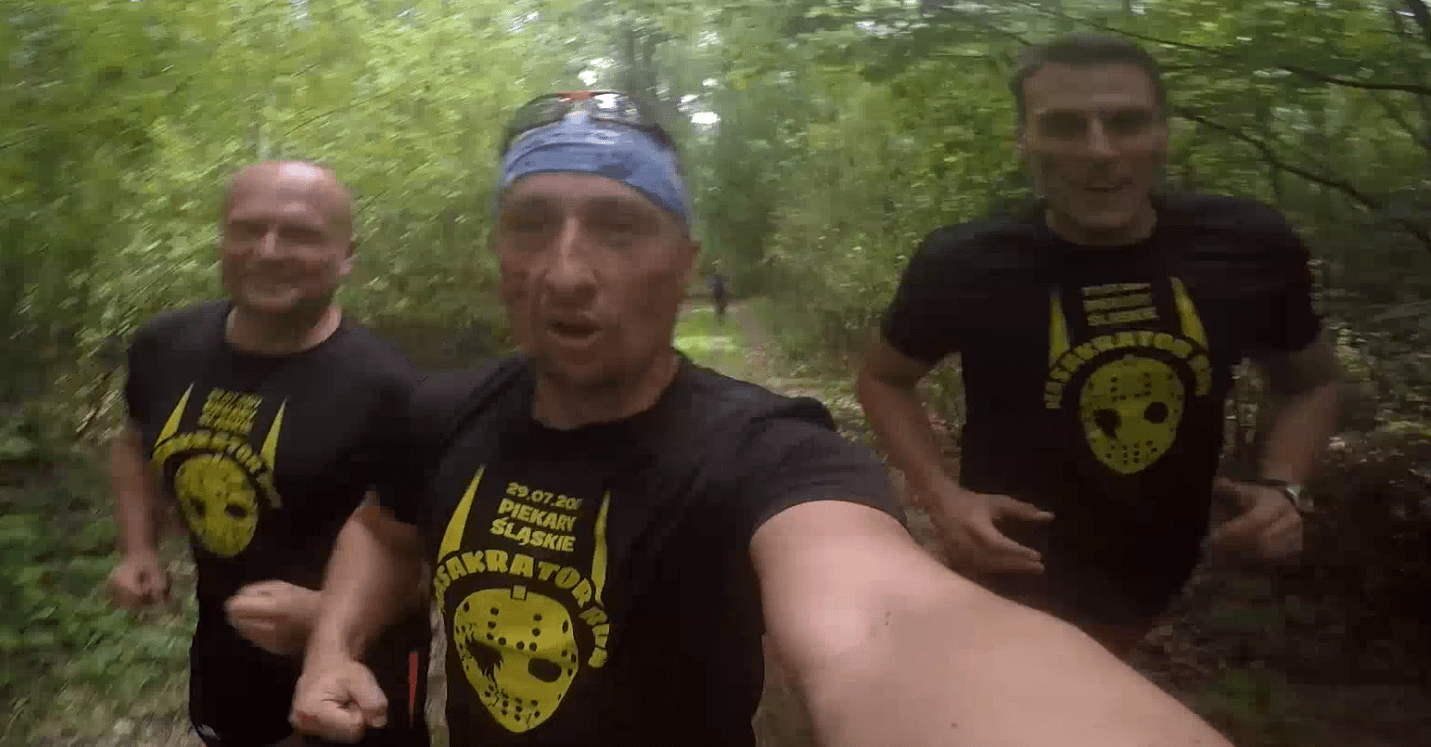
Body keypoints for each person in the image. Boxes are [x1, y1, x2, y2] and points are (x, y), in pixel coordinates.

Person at [289, 90, 1236, 747]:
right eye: (531, 224)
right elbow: (382, 529)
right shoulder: (442, 409)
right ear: (498, 252)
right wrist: (332, 646)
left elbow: (886, 621)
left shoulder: (764, 451)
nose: (565, 272)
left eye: (619, 228)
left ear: (686, 265)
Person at [857, 33, 1341, 658]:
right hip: (1012, 565)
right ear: (1023, 140)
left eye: (1127, 122)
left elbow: (1313, 382)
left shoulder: (1247, 244)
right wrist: (943, 499)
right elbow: (883, 378)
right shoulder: (965, 263)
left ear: (1164, 134)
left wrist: (1285, 488)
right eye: (1064, 126)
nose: (1100, 151)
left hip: (1167, 566)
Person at [107, 161, 431, 747]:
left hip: (362, 678)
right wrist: (139, 548)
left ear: (346, 255)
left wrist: (325, 615)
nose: (268, 251)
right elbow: (134, 444)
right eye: (248, 229)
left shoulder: (393, 391)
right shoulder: (165, 345)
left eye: (300, 234)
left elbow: (435, 561)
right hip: (224, 657)